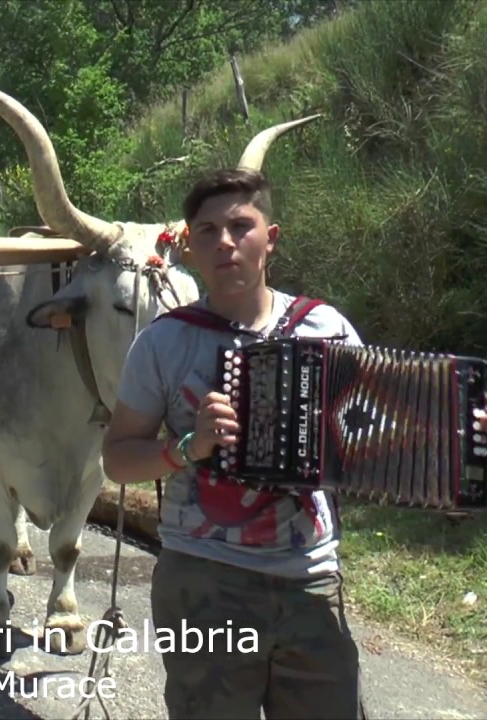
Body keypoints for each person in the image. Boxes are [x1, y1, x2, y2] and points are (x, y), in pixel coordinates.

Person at [101, 168, 371, 719]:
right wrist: (185, 448)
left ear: (270, 239)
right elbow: (116, 459)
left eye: (240, 225)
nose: (225, 241)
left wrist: (459, 435)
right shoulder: (163, 343)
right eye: (207, 231)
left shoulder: (327, 328)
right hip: (204, 585)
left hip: (312, 583)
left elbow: (374, 437)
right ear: (190, 250)